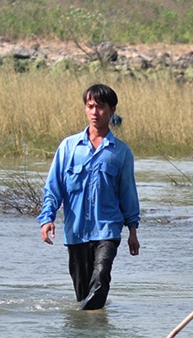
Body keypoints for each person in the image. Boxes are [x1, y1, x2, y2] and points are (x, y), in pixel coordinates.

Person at [38, 84, 140, 311]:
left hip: (107, 228)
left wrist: (132, 230)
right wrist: (47, 218)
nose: (95, 112)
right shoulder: (68, 147)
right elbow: (53, 187)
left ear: (112, 110)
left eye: (100, 107)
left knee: (101, 275)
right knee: (83, 294)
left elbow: (128, 193)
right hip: (76, 232)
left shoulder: (121, 152)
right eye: (90, 106)